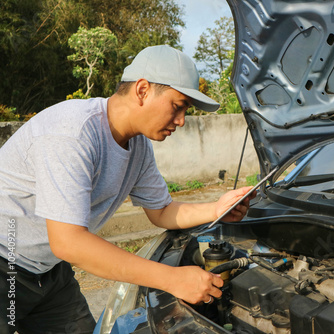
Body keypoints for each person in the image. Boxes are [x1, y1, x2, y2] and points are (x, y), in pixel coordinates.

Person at [0, 45, 255, 333]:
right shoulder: (72, 133)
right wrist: (172, 278)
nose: (182, 120)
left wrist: (217, 209)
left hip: (48, 272)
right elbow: (68, 242)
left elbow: (161, 211)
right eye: (178, 105)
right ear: (143, 90)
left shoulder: (138, 146)